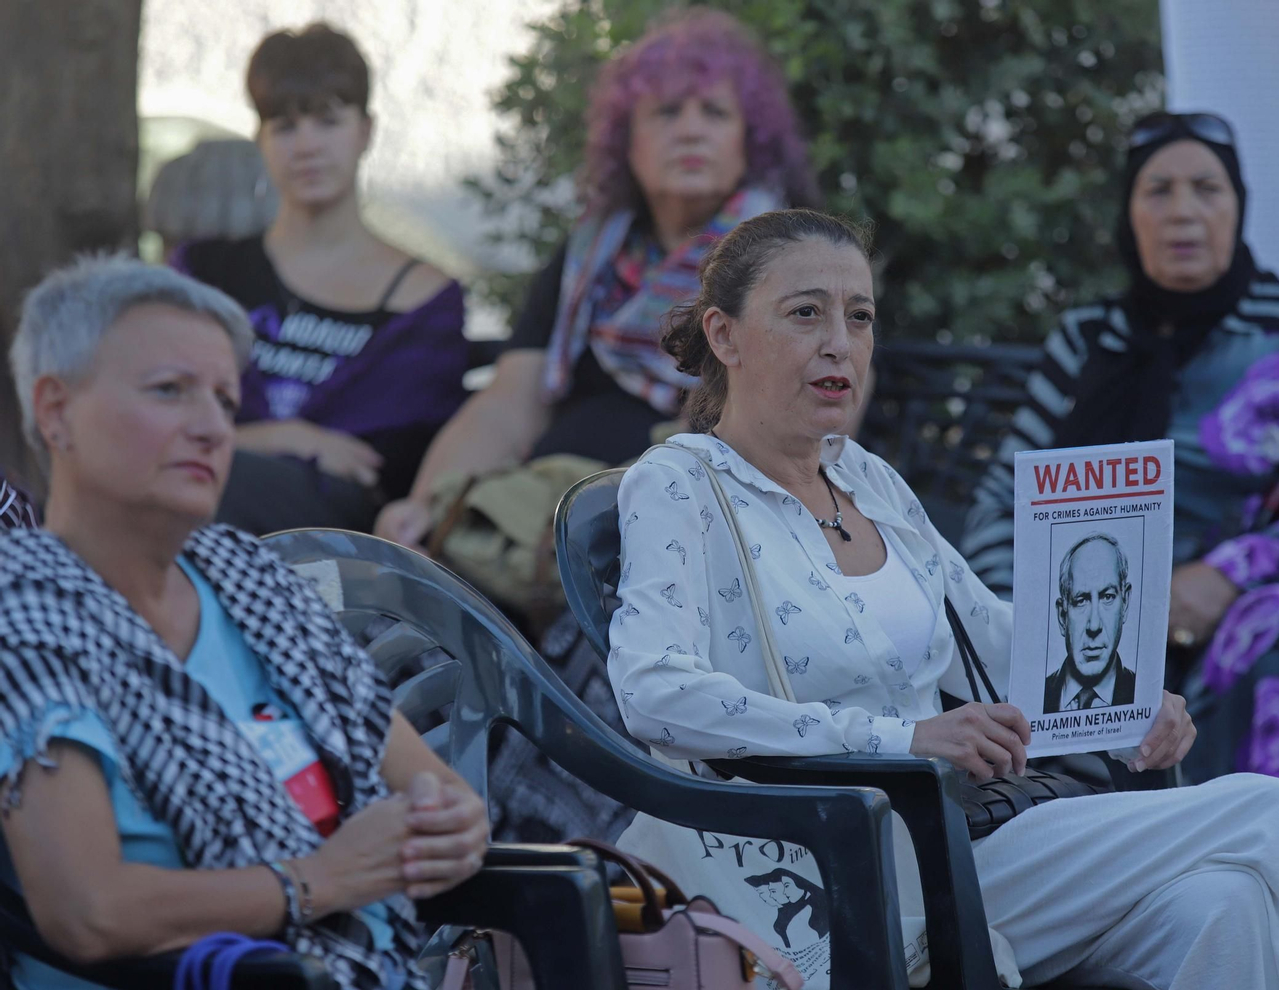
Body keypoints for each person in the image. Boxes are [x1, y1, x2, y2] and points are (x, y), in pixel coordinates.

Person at [606, 209, 1279, 989]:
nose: (840, 341)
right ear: (725, 335)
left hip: (970, 836)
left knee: (1227, 902)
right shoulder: (679, 484)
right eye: (806, 312)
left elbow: (999, 634)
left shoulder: (867, 481)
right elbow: (652, 690)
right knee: (1271, 811)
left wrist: (1129, 697)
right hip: (843, 866)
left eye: (860, 316)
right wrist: (901, 739)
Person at [0, 257, 488, 990]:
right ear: (55, 409)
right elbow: (87, 909)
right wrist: (320, 878)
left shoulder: (248, 579)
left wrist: (452, 831)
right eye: (169, 391)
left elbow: (438, 793)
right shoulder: (26, 608)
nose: (209, 429)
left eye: (227, 403)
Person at [962, 111, 1279, 819]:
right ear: (1130, 214)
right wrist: (1024, 624)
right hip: (1094, 622)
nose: (1183, 211)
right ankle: (1108, 884)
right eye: (1158, 190)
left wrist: (1227, 576)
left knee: (1278, 622)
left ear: (1237, 206)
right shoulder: (1088, 339)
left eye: (1206, 189)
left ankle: (1262, 873)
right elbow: (1005, 498)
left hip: (1238, 611)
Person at [374, 8, 818, 549]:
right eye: (667, 111)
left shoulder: (789, 262)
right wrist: (425, 507)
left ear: (749, 141)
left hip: (681, 539)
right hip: (539, 520)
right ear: (627, 143)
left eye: (716, 112)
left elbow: (796, 437)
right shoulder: (588, 255)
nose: (691, 129)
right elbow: (511, 399)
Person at [173, 22, 470, 535]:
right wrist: (285, 437)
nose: (307, 146)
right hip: (193, 501)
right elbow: (152, 413)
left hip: (339, 539)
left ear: (366, 131)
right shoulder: (204, 273)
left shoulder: (425, 299)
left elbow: (384, 467)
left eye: (328, 121)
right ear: (260, 140)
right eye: (285, 127)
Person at [1043, 533, 1135, 713]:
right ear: (1062, 616)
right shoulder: (1032, 697)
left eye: (1107, 597)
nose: (1094, 626)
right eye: (1080, 601)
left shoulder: (1147, 695)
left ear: (1125, 603)